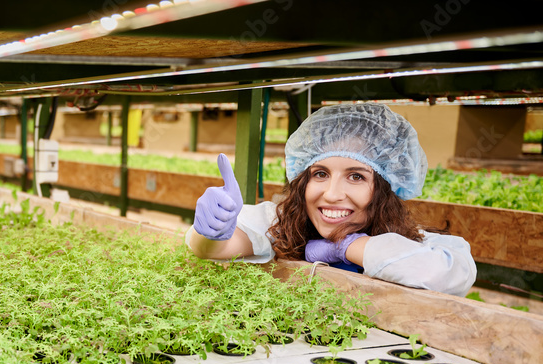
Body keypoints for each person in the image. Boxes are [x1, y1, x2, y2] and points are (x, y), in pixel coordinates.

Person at [185, 103, 476, 297]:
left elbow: (445, 273)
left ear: (387, 190)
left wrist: (346, 247)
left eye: (356, 177)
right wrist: (210, 232)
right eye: (320, 174)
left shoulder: (420, 245)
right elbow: (215, 247)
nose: (333, 194)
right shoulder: (283, 225)